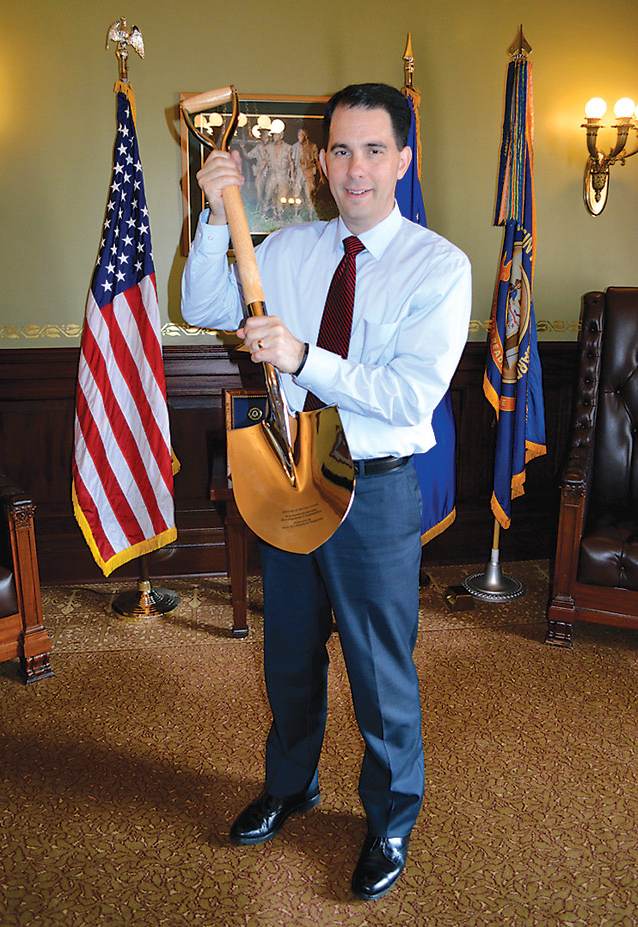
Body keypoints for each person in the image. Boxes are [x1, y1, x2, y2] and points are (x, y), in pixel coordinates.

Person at [181, 83, 471, 901]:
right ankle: (291, 784)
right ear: (319, 160)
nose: (354, 169)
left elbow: (409, 395)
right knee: (289, 653)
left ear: (402, 159)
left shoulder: (439, 266)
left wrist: (304, 356)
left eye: (374, 150)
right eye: (340, 149)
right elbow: (203, 302)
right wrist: (215, 213)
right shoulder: (290, 247)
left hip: (374, 490)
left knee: (381, 672)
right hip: (292, 473)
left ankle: (388, 819)